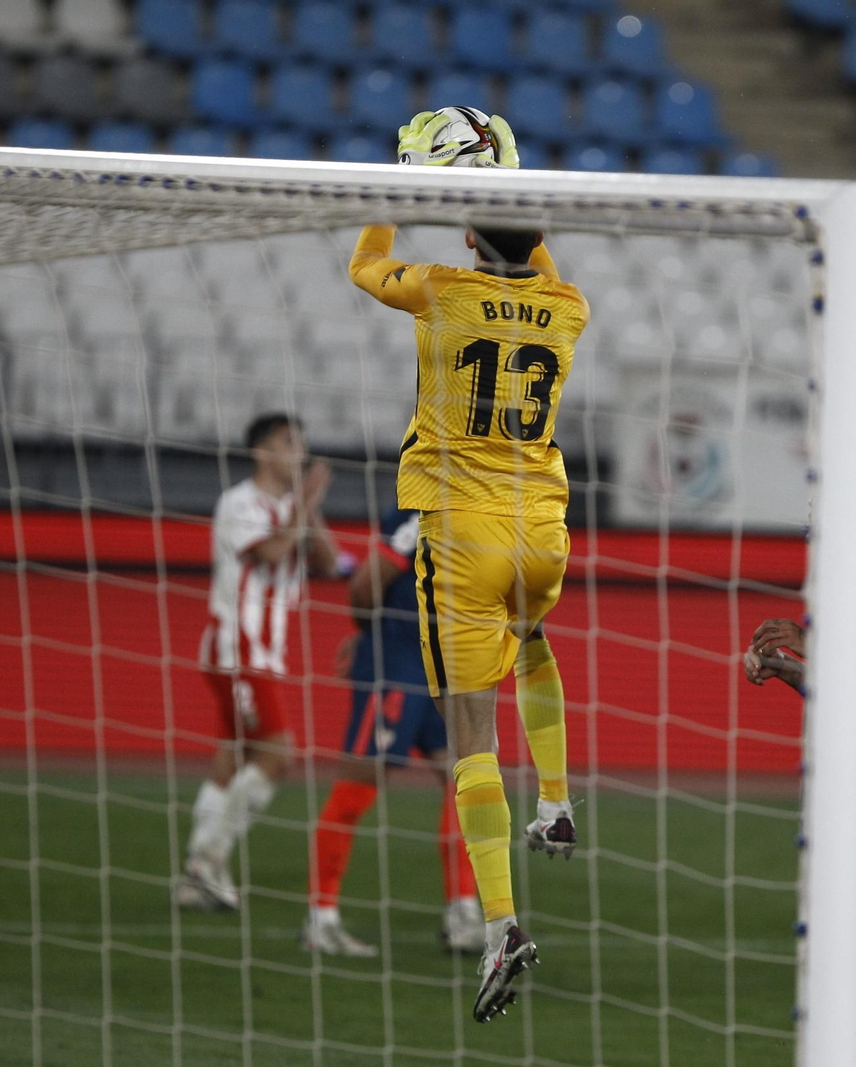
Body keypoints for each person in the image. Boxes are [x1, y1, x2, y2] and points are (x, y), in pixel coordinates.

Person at [349, 109, 588, 1023]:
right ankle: (556, 800)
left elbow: (365, 266)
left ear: (464, 234)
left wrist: (392, 193)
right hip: (544, 528)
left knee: (469, 735)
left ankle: (499, 925)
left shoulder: (442, 290)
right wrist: (507, 179)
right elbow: (533, 259)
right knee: (531, 641)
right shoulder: (569, 306)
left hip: (462, 529)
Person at [302, 510, 482, 958]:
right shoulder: (420, 511)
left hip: (440, 666)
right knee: (359, 784)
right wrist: (376, 640)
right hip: (397, 667)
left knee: (464, 781)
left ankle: (462, 914)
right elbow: (364, 587)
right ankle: (321, 919)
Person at [180, 413, 339, 911]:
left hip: (264, 653)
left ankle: (193, 880)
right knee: (276, 755)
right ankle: (208, 859)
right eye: (289, 442)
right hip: (237, 648)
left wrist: (309, 507)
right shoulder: (239, 502)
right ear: (262, 451)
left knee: (232, 759)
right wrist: (305, 504)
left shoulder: (294, 507)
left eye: (302, 444)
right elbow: (270, 552)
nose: (299, 453)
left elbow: (328, 563)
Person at [744, 468, 856, 794]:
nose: (814, 516)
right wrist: (786, 667)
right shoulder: (855, 577)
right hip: (852, 768)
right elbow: (848, 683)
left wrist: (811, 645)